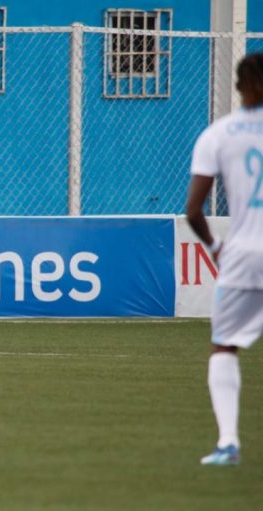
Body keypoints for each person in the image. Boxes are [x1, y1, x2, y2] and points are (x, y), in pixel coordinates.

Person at [185, 52, 263, 466]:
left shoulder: (219, 134)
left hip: (244, 255)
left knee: (224, 347)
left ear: (239, 86)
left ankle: (228, 442)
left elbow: (194, 212)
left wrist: (216, 249)